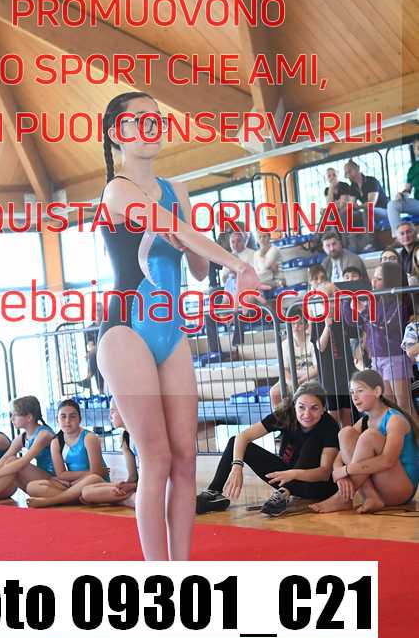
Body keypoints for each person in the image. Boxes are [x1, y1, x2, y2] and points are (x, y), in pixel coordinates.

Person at [96, 91, 263, 560]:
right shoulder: (116, 190)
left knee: (186, 458)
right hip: (125, 329)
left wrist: (194, 244)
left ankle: (183, 571)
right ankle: (159, 577)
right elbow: (176, 230)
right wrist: (237, 264)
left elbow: (195, 268)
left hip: (170, 331)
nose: (150, 126)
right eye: (138, 120)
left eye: (156, 118)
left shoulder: (178, 190)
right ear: (116, 134)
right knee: (156, 457)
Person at [196, 381, 339, 516]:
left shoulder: (329, 426)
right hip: (286, 476)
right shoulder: (286, 414)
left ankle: (284, 493)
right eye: (301, 407)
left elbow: (324, 473)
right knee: (235, 442)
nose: (307, 414)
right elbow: (243, 437)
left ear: (323, 409)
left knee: (311, 442)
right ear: (294, 405)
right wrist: (237, 466)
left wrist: (293, 474)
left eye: (314, 408)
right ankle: (214, 492)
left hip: (316, 485)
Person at [310, 370, 419, 513]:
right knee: (345, 433)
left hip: (400, 491)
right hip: (378, 488)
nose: (354, 397)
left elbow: (387, 461)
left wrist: (346, 470)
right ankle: (371, 496)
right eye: (352, 392)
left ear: (377, 391)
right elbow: (338, 458)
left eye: (360, 391)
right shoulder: (364, 421)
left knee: (370, 436)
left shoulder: (394, 420)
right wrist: (340, 475)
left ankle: (342, 498)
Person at [27, 399, 134, 509]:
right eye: (63, 416)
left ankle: (51, 501)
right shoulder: (56, 442)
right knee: (32, 487)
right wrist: (74, 480)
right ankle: (76, 498)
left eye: (72, 416)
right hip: (73, 484)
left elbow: (96, 473)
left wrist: (76, 479)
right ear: (57, 420)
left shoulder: (89, 438)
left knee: (92, 479)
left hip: (93, 482)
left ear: (80, 419)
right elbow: (61, 474)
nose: (67, 421)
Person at [345, 264, 413, 413]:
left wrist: (364, 310)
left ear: (391, 280)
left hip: (395, 356)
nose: (374, 282)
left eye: (379, 279)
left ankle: (413, 429)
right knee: (389, 404)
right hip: (377, 357)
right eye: (373, 278)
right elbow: (352, 320)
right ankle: (396, 428)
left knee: (404, 405)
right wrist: (347, 298)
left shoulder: (399, 302)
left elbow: (386, 324)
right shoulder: (373, 300)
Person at [0, 396, 54, 504]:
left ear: (29, 417)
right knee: (6, 462)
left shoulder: (44, 434)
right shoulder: (22, 437)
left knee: (12, 462)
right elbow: (3, 460)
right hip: (38, 480)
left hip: (53, 480)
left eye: (15, 415)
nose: (11, 418)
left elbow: (24, 461)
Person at [310, 282, 357, 427]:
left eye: (334, 296)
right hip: (329, 376)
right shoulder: (318, 321)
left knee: (347, 413)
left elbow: (356, 332)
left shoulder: (343, 319)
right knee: (333, 414)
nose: (331, 301)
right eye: (328, 297)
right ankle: (333, 440)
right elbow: (320, 346)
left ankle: (347, 439)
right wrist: (327, 326)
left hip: (345, 372)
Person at [269, 305, 318, 410]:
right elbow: (284, 369)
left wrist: (300, 381)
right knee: (274, 392)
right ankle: (279, 418)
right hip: (290, 380)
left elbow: (316, 368)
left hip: (310, 379)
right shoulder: (284, 344)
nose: (296, 327)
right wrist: (292, 382)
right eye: (293, 323)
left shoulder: (312, 341)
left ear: (305, 325)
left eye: (300, 323)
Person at [387, 138, 419, 236]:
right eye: (418, 148)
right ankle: (398, 237)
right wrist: (402, 194)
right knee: (392, 205)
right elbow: (408, 190)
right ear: (415, 151)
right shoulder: (413, 169)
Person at [81, 303, 105, 394]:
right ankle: (101, 392)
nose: (98, 313)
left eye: (99, 310)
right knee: (94, 356)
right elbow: (91, 346)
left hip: (108, 351)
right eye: (96, 311)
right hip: (97, 355)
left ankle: (89, 377)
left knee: (92, 354)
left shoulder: (107, 325)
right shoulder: (89, 329)